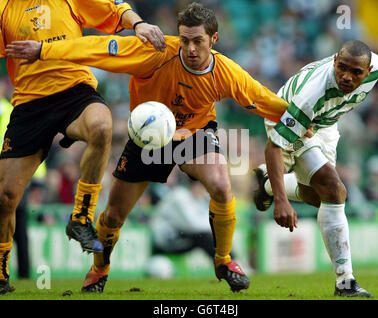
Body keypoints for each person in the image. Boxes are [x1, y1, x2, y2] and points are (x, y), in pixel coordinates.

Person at [6, 2, 290, 293]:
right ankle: (99, 269)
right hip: (147, 140)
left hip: (194, 134)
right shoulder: (154, 53)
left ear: (213, 40)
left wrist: (301, 120)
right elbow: (99, 49)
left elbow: (264, 99)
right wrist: (44, 50)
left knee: (220, 184)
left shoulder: (226, 73)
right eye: (185, 40)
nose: (191, 48)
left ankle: (224, 260)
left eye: (198, 42)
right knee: (114, 215)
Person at [0, 0, 165, 295]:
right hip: (29, 103)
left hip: (74, 90)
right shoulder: (4, 7)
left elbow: (115, 8)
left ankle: (81, 216)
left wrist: (138, 24)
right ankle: (0, 273)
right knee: (5, 197)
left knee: (102, 125)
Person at [253, 40, 378, 297]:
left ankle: (267, 182)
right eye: (342, 68)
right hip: (288, 115)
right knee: (334, 190)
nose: (347, 76)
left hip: (326, 124)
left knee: (319, 197)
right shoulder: (310, 95)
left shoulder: (377, 68)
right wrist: (281, 201)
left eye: (356, 72)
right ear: (335, 60)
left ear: (367, 72)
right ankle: (345, 282)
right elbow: (273, 147)